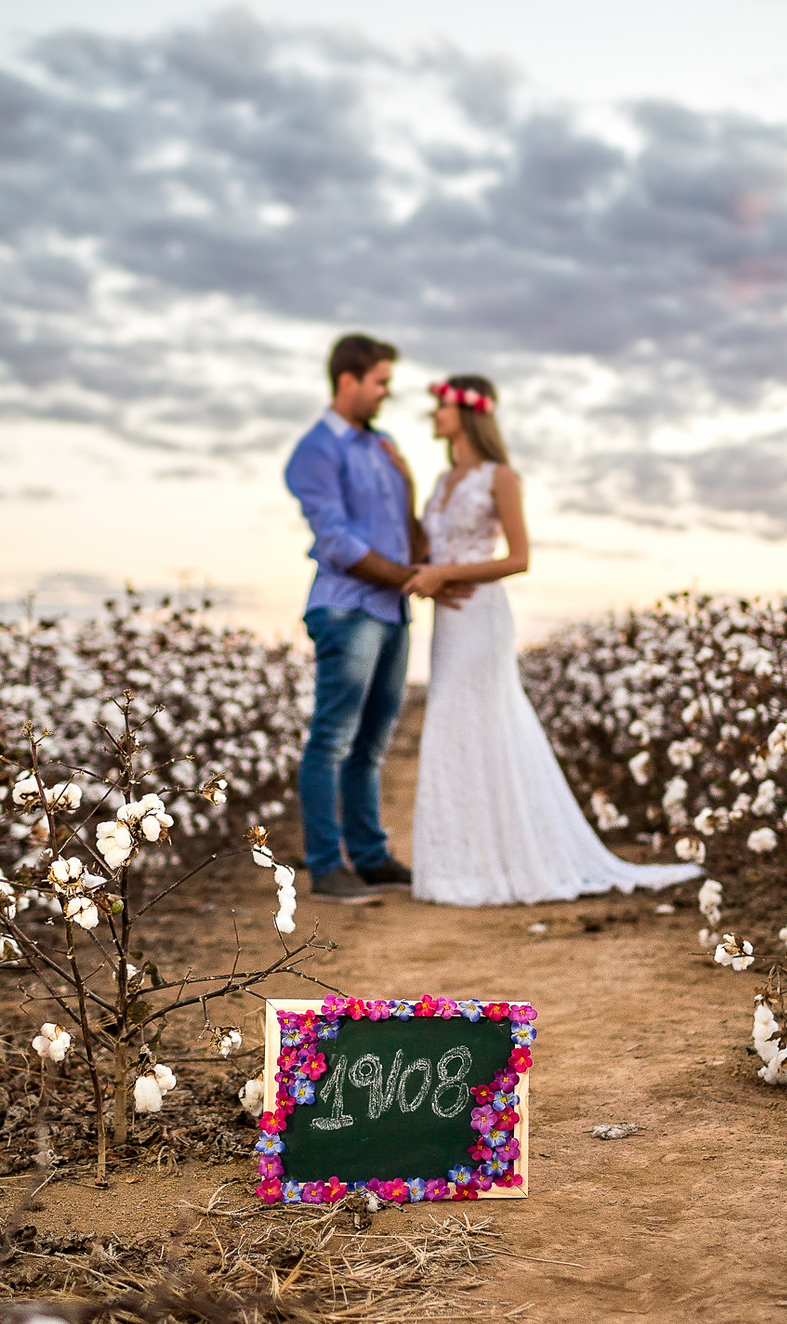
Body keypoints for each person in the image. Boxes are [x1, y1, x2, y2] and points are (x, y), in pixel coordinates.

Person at [405, 374, 704, 906]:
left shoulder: (500, 477)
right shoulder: (443, 480)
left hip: (482, 616)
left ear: (468, 413)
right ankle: (459, 863)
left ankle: (496, 865)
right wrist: (429, 569)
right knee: (452, 724)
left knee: (474, 717)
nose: (434, 415)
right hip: (448, 620)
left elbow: (519, 558)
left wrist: (447, 574)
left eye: (441, 407)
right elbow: (428, 547)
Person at [285, 335, 472, 900]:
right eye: (380, 382)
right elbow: (337, 541)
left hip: (390, 610)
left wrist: (411, 483)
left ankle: (369, 856)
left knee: (371, 743)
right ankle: (325, 866)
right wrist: (410, 579)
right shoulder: (315, 451)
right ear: (348, 381)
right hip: (346, 608)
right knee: (332, 739)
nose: (387, 393)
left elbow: (410, 534)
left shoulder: (385, 445)